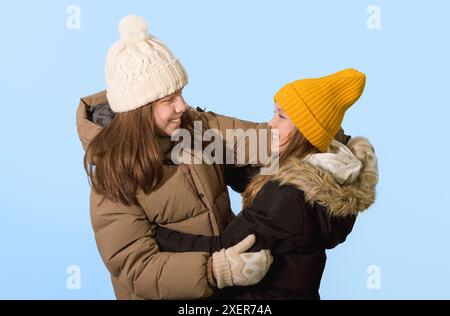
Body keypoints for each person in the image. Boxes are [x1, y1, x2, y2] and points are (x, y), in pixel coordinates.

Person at [75, 15, 274, 300]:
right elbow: (135, 266)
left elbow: (264, 140)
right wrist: (214, 271)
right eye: (168, 100)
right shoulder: (113, 177)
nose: (182, 105)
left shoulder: (195, 128)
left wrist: (332, 144)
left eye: (180, 92)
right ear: (139, 111)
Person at [155, 68, 379, 299]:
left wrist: (156, 235)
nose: (270, 124)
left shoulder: (288, 196)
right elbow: (256, 177)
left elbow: (223, 246)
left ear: (307, 131)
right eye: (274, 113)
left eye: (281, 117)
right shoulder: (323, 172)